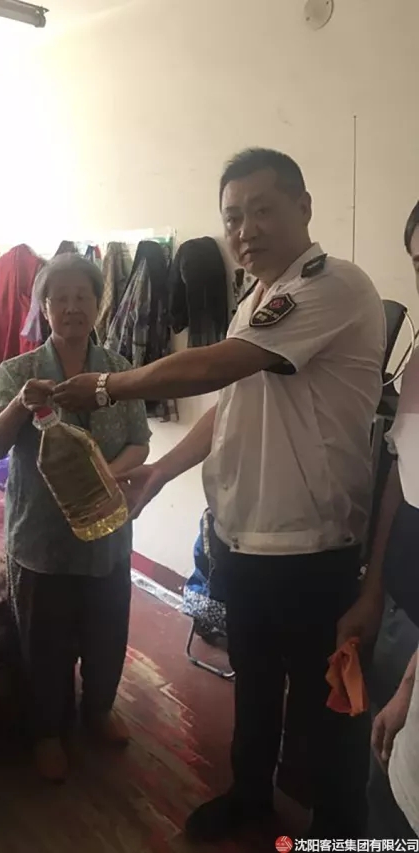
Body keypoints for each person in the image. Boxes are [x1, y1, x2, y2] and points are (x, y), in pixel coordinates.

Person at [53, 149, 386, 841]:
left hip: (311, 545)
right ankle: (250, 796)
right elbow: (231, 402)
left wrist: (109, 385)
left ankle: (338, 830)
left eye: (263, 210)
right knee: (255, 681)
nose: (245, 229)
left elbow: (213, 368)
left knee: (325, 706)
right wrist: (160, 470)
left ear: (304, 207)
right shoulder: (253, 300)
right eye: (233, 216)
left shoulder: (332, 286)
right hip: (244, 537)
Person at [0, 254, 151, 782]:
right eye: (61, 298)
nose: (73, 307)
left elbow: (140, 443)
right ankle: (47, 733)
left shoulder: (119, 369)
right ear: (44, 307)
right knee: (44, 642)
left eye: (83, 297)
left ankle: (97, 710)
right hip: (42, 535)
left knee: (107, 632)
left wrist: (105, 474)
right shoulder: (20, 371)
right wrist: (18, 406)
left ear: (98, 304)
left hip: (107, 529)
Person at [338, 200, 419, 838]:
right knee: (384, 779)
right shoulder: (418, 363)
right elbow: (399, 475)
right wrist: (373, 589)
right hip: (401, 609)